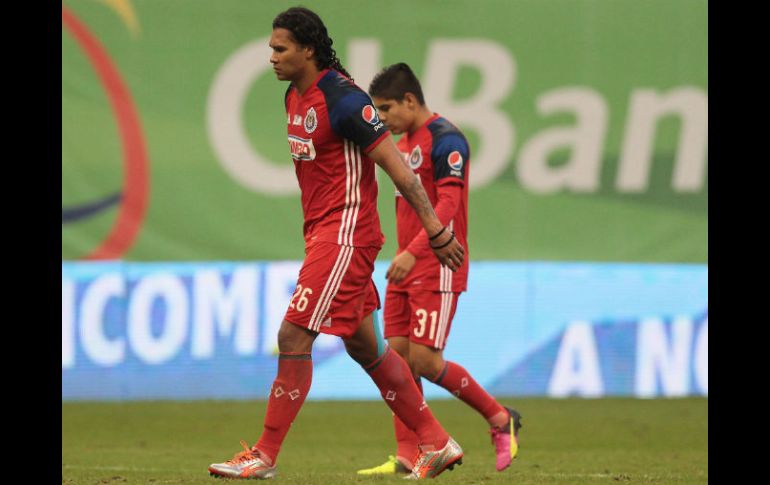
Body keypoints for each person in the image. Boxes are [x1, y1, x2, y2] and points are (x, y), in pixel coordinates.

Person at [207, 7, 466, 481]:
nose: (272, 57)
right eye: (271, 48)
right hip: (323, 234)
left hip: (346, 234)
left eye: (280, 48)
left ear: (308, 50)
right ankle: (437, 441)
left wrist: (435, 229)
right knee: (366, 347)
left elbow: (400, 171)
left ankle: (264, 454)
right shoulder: (293, 96)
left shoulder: (345, 101)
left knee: (293, 336)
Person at [356, 63, 523, 476]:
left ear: (410, 100)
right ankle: (407, 454)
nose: (382, 118)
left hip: (437, 264)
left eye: (387, 108)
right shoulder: (402, 143)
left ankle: (500, 418)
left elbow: (448, 204)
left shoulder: (447, 139)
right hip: (405, 263)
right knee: (394, 361)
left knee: (426, 362)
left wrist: (414, 252)